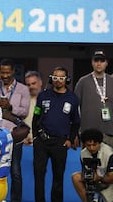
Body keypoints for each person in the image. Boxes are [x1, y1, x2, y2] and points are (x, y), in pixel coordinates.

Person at [32, 66, 80, 202]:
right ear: (51, 78)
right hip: (41, 141)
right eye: (55, 77)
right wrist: (35, 136)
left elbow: (76, 122)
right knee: (38, 175)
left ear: (67, 80)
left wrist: (70, 139)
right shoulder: (43, 95)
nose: (58, 80)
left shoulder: (73, 98)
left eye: (61, 78)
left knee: (58, 177)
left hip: (60, 143)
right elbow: (36, 117)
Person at [0, 58, 30, 202]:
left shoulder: (23, 89)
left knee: (15, 171)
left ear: (13, 72)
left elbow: (25, 112)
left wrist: (10, 107)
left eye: (7, 72)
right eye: (2, 72)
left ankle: (16, 200)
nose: (4, 76)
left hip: (14, 136)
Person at [75, 49, 113, 148]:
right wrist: (74, 132)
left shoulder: (112, 81)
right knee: (88, 162)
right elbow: (74, 107)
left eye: (102, 61)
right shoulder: (83, 82)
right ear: (92, 62)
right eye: (96, 61)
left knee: (109, 163)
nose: (99, 64)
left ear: (106, 63)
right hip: (88, 133)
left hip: (109, 133)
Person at [71, 128, 113, 202]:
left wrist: (98, 177)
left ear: (99, 143)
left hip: (109, 183)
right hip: (93, 181)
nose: (91, 148)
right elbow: (84, 171)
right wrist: (89, 177)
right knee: (75, 177)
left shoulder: (109, 153)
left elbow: (111, 177)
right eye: (88, 145)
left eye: (94, 145)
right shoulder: (83, 154)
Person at [23, 71, 42, 145]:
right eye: (28, 85)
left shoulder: (48, 100)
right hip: (25, 144)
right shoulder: (22, 102)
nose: (31, 87)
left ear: (40, 83)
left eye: (34, 83)